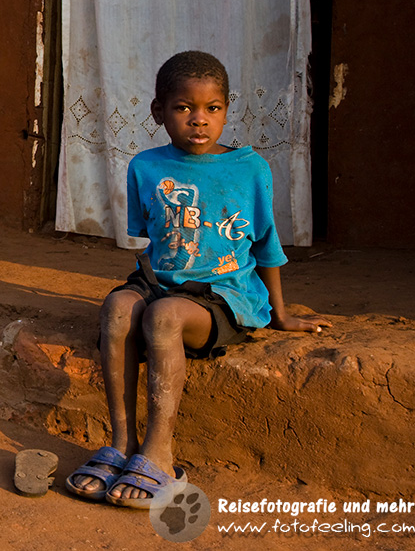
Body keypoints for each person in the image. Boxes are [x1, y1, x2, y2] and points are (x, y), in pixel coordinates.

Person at [65, 50, 329, 508]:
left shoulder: (250, 169)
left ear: (227, 110)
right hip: (161, 280)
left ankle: (160, 454)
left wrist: (279, 313)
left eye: (212, 109)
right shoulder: (145, 167)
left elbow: (266, 244)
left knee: (164, 316)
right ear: (158, 112)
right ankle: (122, 443)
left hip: (224, 294)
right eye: (183, 108)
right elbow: (156, 241)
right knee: (118, 307)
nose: (199, 120)